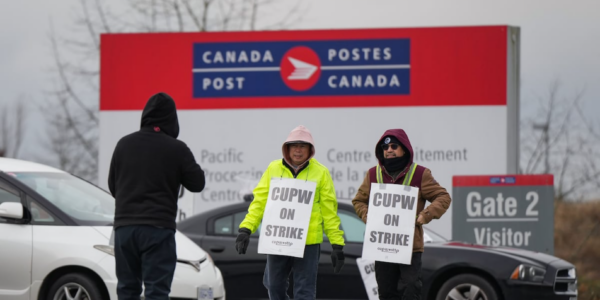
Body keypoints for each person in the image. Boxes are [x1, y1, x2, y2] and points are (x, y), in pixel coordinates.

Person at [108, 92, 206, 300]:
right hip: (157, 230)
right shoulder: (177, 149)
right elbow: (198, 183)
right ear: (172, 119)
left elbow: (113, 186)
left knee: (126, 289)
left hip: (125, 230)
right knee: (157, 292)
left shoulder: (123, 144)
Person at [235, 125, 346, 300]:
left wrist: (337, 245)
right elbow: (259, 202)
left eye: (303, 146)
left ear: (310, 149)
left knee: (304, 292)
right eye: (294, 145)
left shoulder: (321, 173)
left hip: (308, 242)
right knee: (273, 286)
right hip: (278, 238)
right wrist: (246, 229)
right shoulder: (273, 168)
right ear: (286, 148)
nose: (298, 150)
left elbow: (329, 212)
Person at [352, 129, 451, 300]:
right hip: (382, 245)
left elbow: (443, 197)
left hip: (410, 245)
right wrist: (368, 216)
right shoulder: (373, 174)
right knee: (386, 292)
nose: (389, 150)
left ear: (404, 149)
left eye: (394, 146)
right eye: (385, 147)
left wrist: (425, 215)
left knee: (412, 289)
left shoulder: (420, 174)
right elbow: (358, 201)